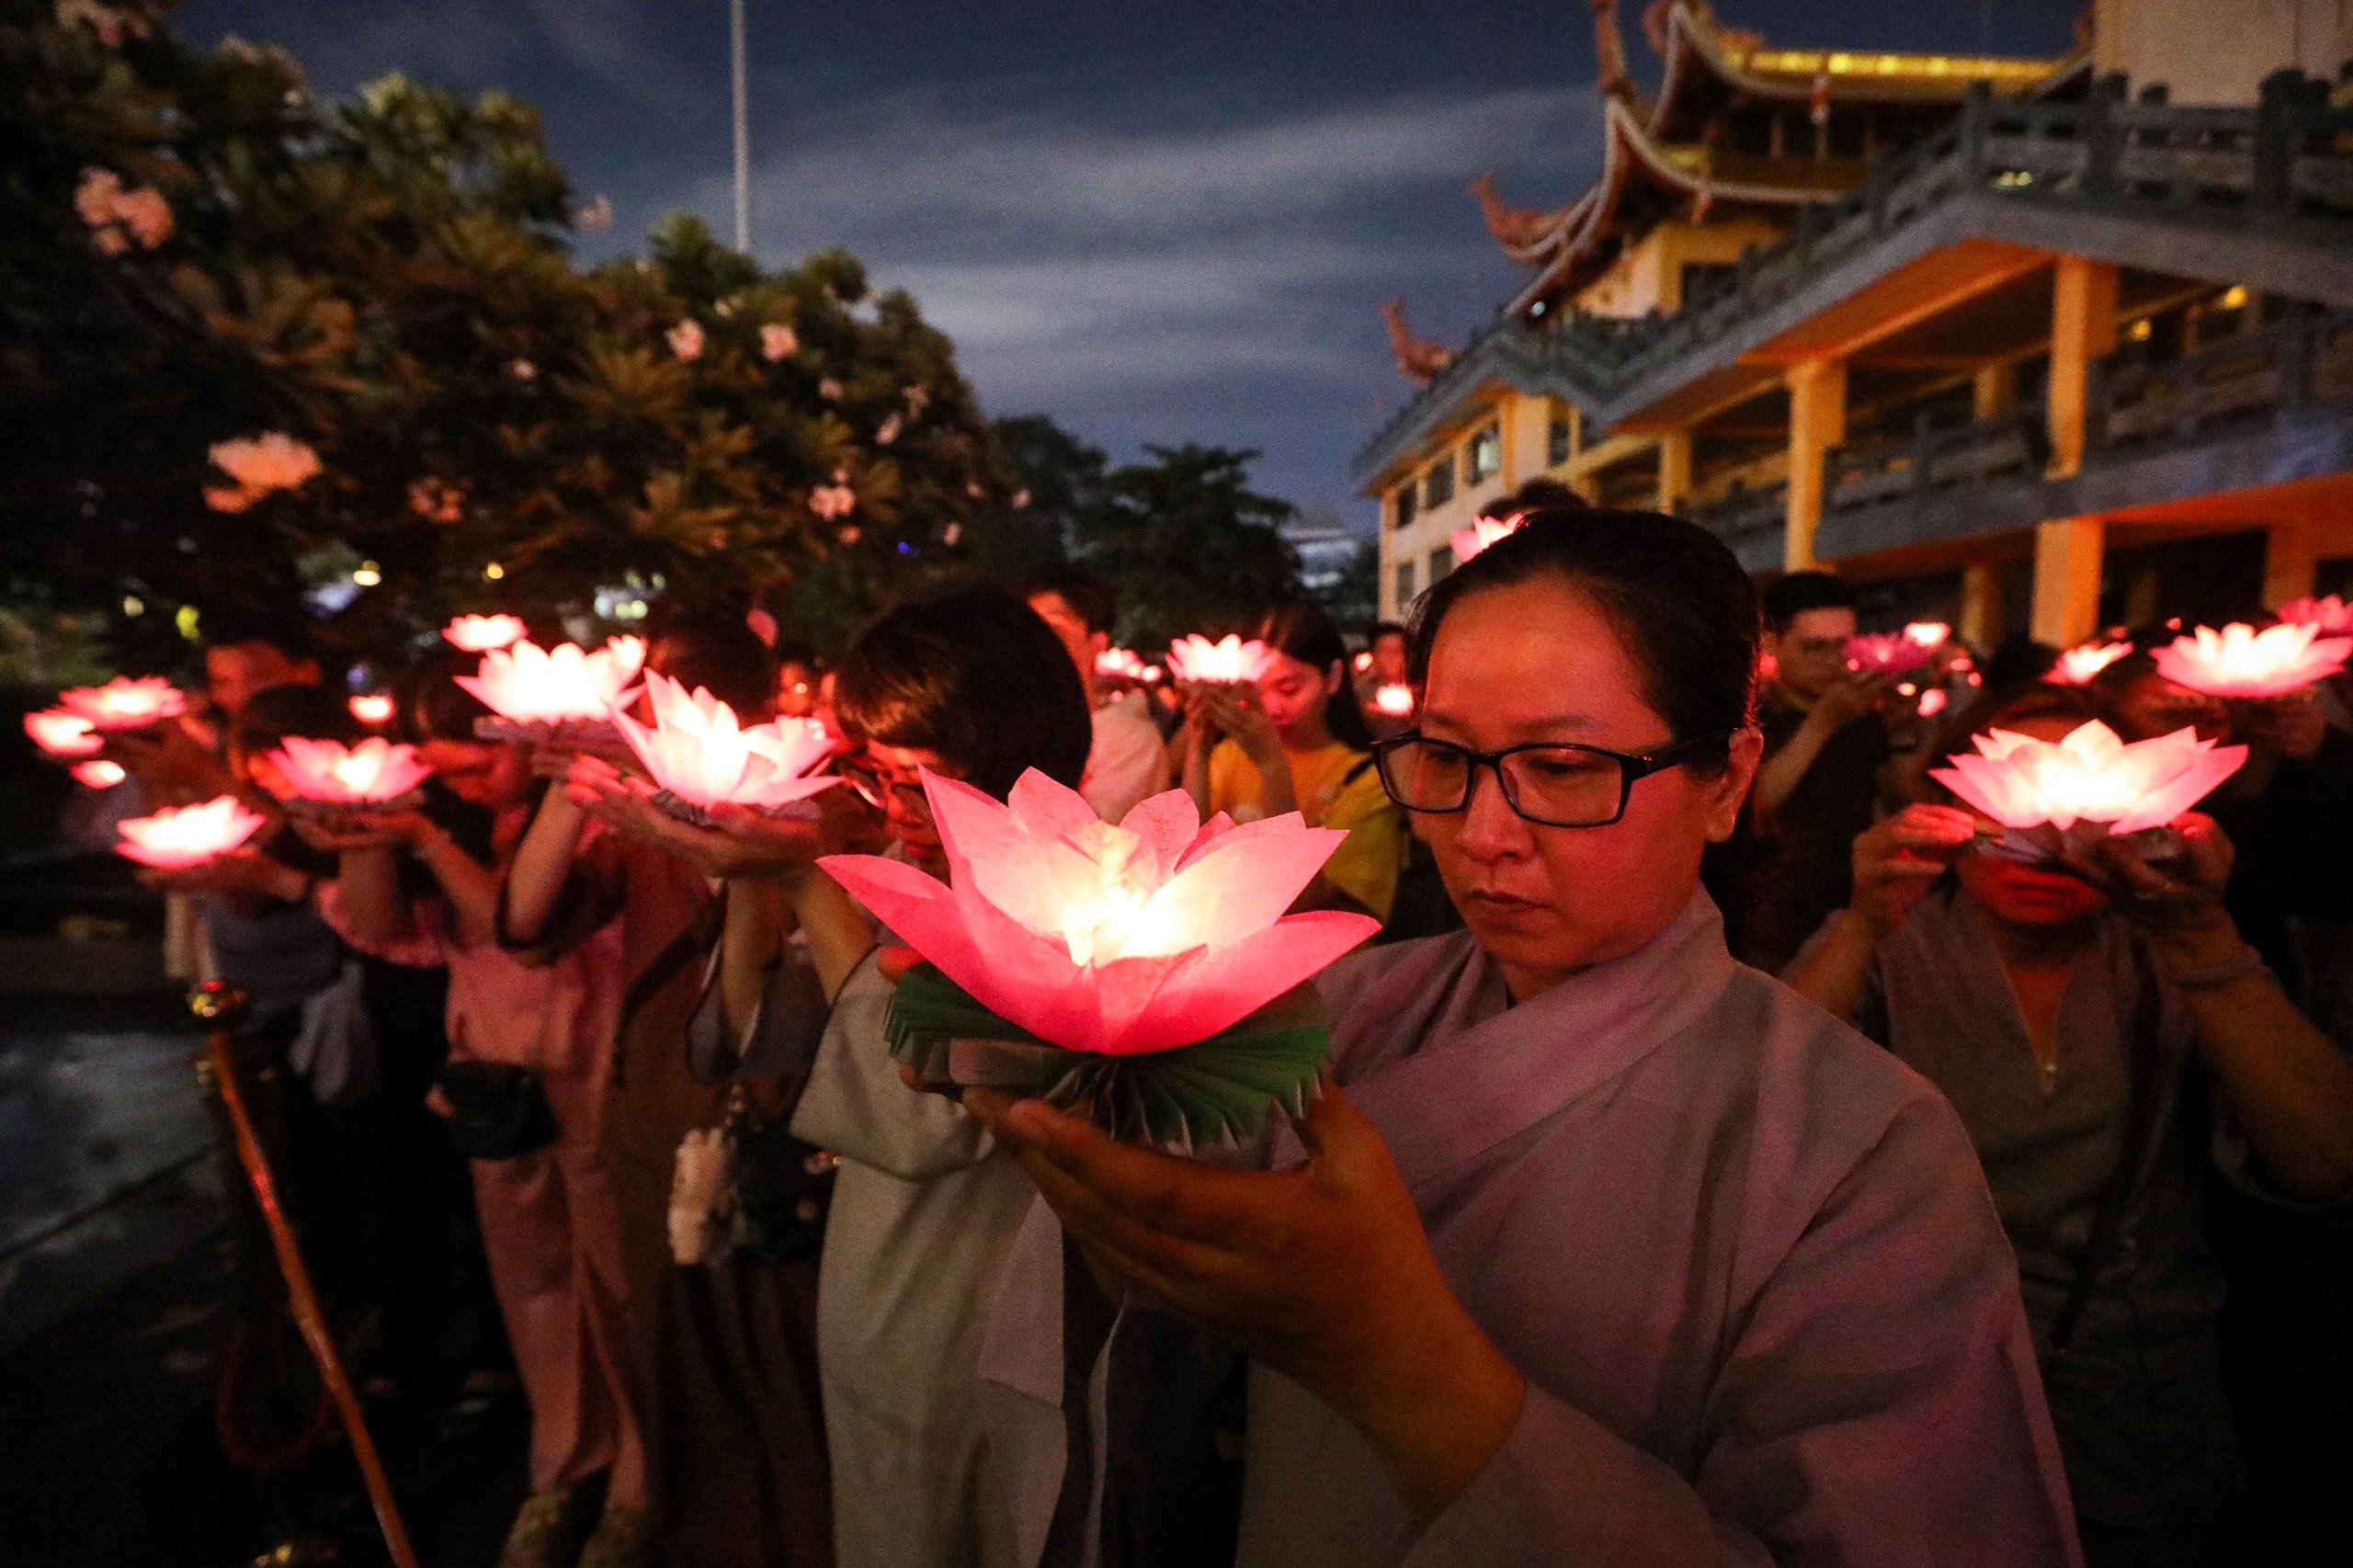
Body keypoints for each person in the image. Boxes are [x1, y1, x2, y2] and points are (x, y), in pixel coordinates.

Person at [958, 508, 2079, 1567]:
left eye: (1563, 768)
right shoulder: (1335, 1014)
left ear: (1726, 778)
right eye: (1443, 758)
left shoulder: (1859, 1147)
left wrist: (1401, 1361)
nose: (1484, 834)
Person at [1781, 681, 2353, 1567]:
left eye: (2087, 822)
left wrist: (2201, 941)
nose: (2045, 851)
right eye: (2015, 811)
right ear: (1956, 816)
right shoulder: (1901, 947)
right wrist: (1859, 925)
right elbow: (1754, 1120)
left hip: (2138, 1405)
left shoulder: (2163, 954)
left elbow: (2324, 1159)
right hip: (1925, 1398)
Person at [688, 584, 1092, 1568]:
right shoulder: (894, 858)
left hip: (972, 1317)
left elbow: (917, 1116)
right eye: (876, 775)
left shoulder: (1072, 902)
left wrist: (806, 882)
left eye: (917, 781)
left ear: (1008, 762)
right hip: (870, 1291)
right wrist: (758, 878)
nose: (894, 810)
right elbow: (752, 1040)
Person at [501, 608, 834, 1568]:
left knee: (780, 1365)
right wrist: (580, 779)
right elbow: (526, 920)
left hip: (776, 1120)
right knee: (668, 1355)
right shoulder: (634, 819)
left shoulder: (807, 799)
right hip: (657, 1111)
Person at [307, 655, 649, 1568]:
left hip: (599, 1069)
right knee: (534, 1285)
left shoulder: (586, 807)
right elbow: (380, 928)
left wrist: (426, 834)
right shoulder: (452, 823)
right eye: (441, 768)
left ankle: (639, 1478)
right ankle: (563, 1461)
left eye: (477, 761)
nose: (465, 780)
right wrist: (369, 834)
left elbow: (521, 930)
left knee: (620, 1282)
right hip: (494, 1080)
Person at [1180, 600, 1405, 924]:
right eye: (1257, 691)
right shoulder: (1229, 756)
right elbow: (1185, 863)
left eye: (1289, 689)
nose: (1271, 707)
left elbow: (1300, 899)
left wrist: (1272, 765)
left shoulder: (1366, 778)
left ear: (1333, 677)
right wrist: (1198, 751)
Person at [1731, 571, 1893, 972]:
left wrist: (1903, 728)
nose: (1832, 663)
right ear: (1772, 643)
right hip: (1761, 931)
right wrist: (1821, 724)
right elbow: (1750, 805)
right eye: (1814, 648)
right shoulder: (1746, 715)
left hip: (1844, 916)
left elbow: (1896, 796)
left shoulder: (1861, 716)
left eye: (1843, 647)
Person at [1026, 568, 1169, 824]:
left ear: (1097, 643)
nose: (1038, 645)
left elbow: (1093, 837)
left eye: (1054, 633)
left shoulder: (1132, 741)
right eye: (1027, 632)